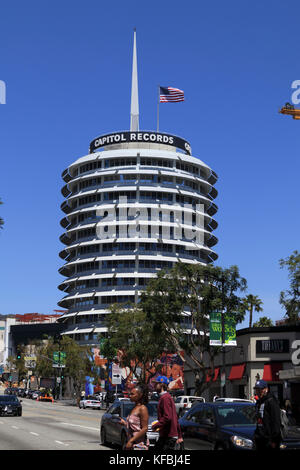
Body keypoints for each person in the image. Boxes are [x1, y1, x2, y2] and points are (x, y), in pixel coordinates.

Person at [151, 376, 183, 451]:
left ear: (161, 385)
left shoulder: (165, 398)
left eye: (156, 384)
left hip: (168, 436)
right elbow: (175, 417)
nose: (154, 386)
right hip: (167, 435)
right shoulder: (167, 397)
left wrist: (156, 425)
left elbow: (167, 417)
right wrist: (179, 435)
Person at [253, 380, 282, 450]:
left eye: (260, 389)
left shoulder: (271, 402)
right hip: (259, 439)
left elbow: (276, 422)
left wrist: (274, 440)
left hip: (269, 441)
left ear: (266, 389)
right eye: (256, 389)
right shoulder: (259, 402)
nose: (258, 392)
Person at [120, 384, 149, 450]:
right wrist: (124, 423)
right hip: (131, 441)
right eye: (130, 394)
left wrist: (131, 440)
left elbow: (145, 428)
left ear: (140, 395)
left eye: (132, 394)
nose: (130, 396)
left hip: (139, 444)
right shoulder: (134, 408)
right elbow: (135, 425)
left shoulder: (143, 408)